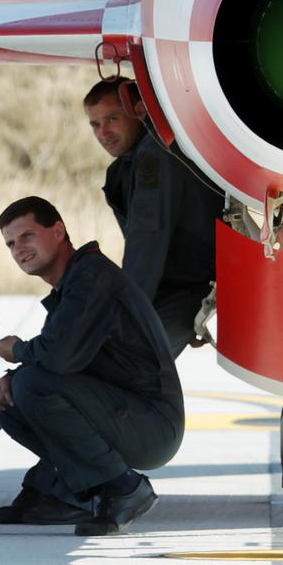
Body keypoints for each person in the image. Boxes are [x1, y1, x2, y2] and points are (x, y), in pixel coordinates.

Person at [0, 196, 184, 534]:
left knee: (31, 386)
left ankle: (125, 488)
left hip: (151, 425)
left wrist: (17, 350)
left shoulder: (91, 276)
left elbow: (59, 356)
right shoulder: (75, 281)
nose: (19, 249)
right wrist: (11, 377)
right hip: (125, 412)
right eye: (11, 244)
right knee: (10, 399)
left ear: (58, 231)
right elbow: (66, 359)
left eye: (27, 236)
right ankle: (68, 492)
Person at [85, 78, 224, 358]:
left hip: (191, 289)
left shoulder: (156, 154)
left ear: (137, 111)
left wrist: (129, 312)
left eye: (112, 119)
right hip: (171, 289)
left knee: (129, 362)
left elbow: (147, 241)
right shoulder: (124, 168)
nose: (103, 133)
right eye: (95, 124)